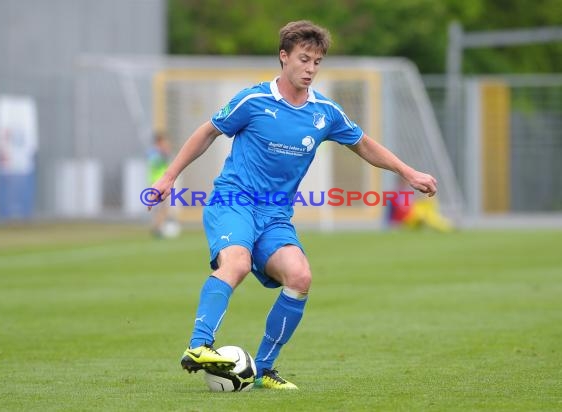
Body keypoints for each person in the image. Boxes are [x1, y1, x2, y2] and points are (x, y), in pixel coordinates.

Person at [148, 20, 437, 390]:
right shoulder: (254, 101)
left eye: (317, 62)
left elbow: (363, 144)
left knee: (300, 277)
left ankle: (264, 369)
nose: (310, 69)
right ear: (284, 57)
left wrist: (408, 172)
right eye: (304, 59)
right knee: (234, 262)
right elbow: (207, 131)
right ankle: (199, 346)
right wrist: (169, 177)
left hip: (275, 216)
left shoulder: (325, 113)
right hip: (233, 201)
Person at [147, 131, 174, 237]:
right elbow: (163, 162)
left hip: (155, 181)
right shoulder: (157, 153)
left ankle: (157, 227)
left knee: (160, 207)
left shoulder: (152, 152)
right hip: (159, 181)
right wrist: (165, 152)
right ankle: (158, 228)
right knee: (162, 206)